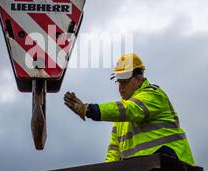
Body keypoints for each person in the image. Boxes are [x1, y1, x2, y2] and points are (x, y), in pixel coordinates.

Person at [64, 53, 195, 165]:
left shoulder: (153, 95)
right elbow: (114, 151)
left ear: (138, 80)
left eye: (124, 82)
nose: (120, 88)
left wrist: (89, 110)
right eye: (118, 82)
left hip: (174, 167)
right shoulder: (121, 115)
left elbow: (131, 109)